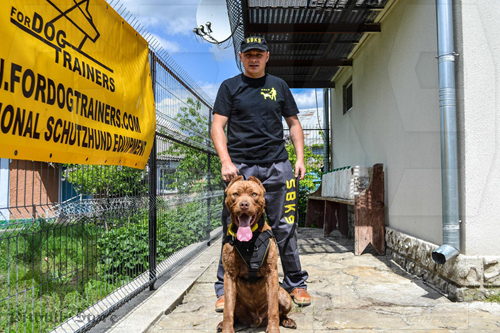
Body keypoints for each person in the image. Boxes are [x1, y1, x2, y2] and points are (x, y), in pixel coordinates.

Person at [211, 36, 311, 312]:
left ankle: (295, 283)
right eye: (248, 54)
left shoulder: (279, 86)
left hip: (278, 165)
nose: (253, 58)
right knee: (233, 227)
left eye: (258, 54)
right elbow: (218, 126)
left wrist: (299, 158)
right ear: (241, 58)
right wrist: (225, 161)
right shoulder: (230, 87)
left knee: (285, 227)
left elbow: (293, 123)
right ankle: (223, 289)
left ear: (267, 56)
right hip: (241, 168)